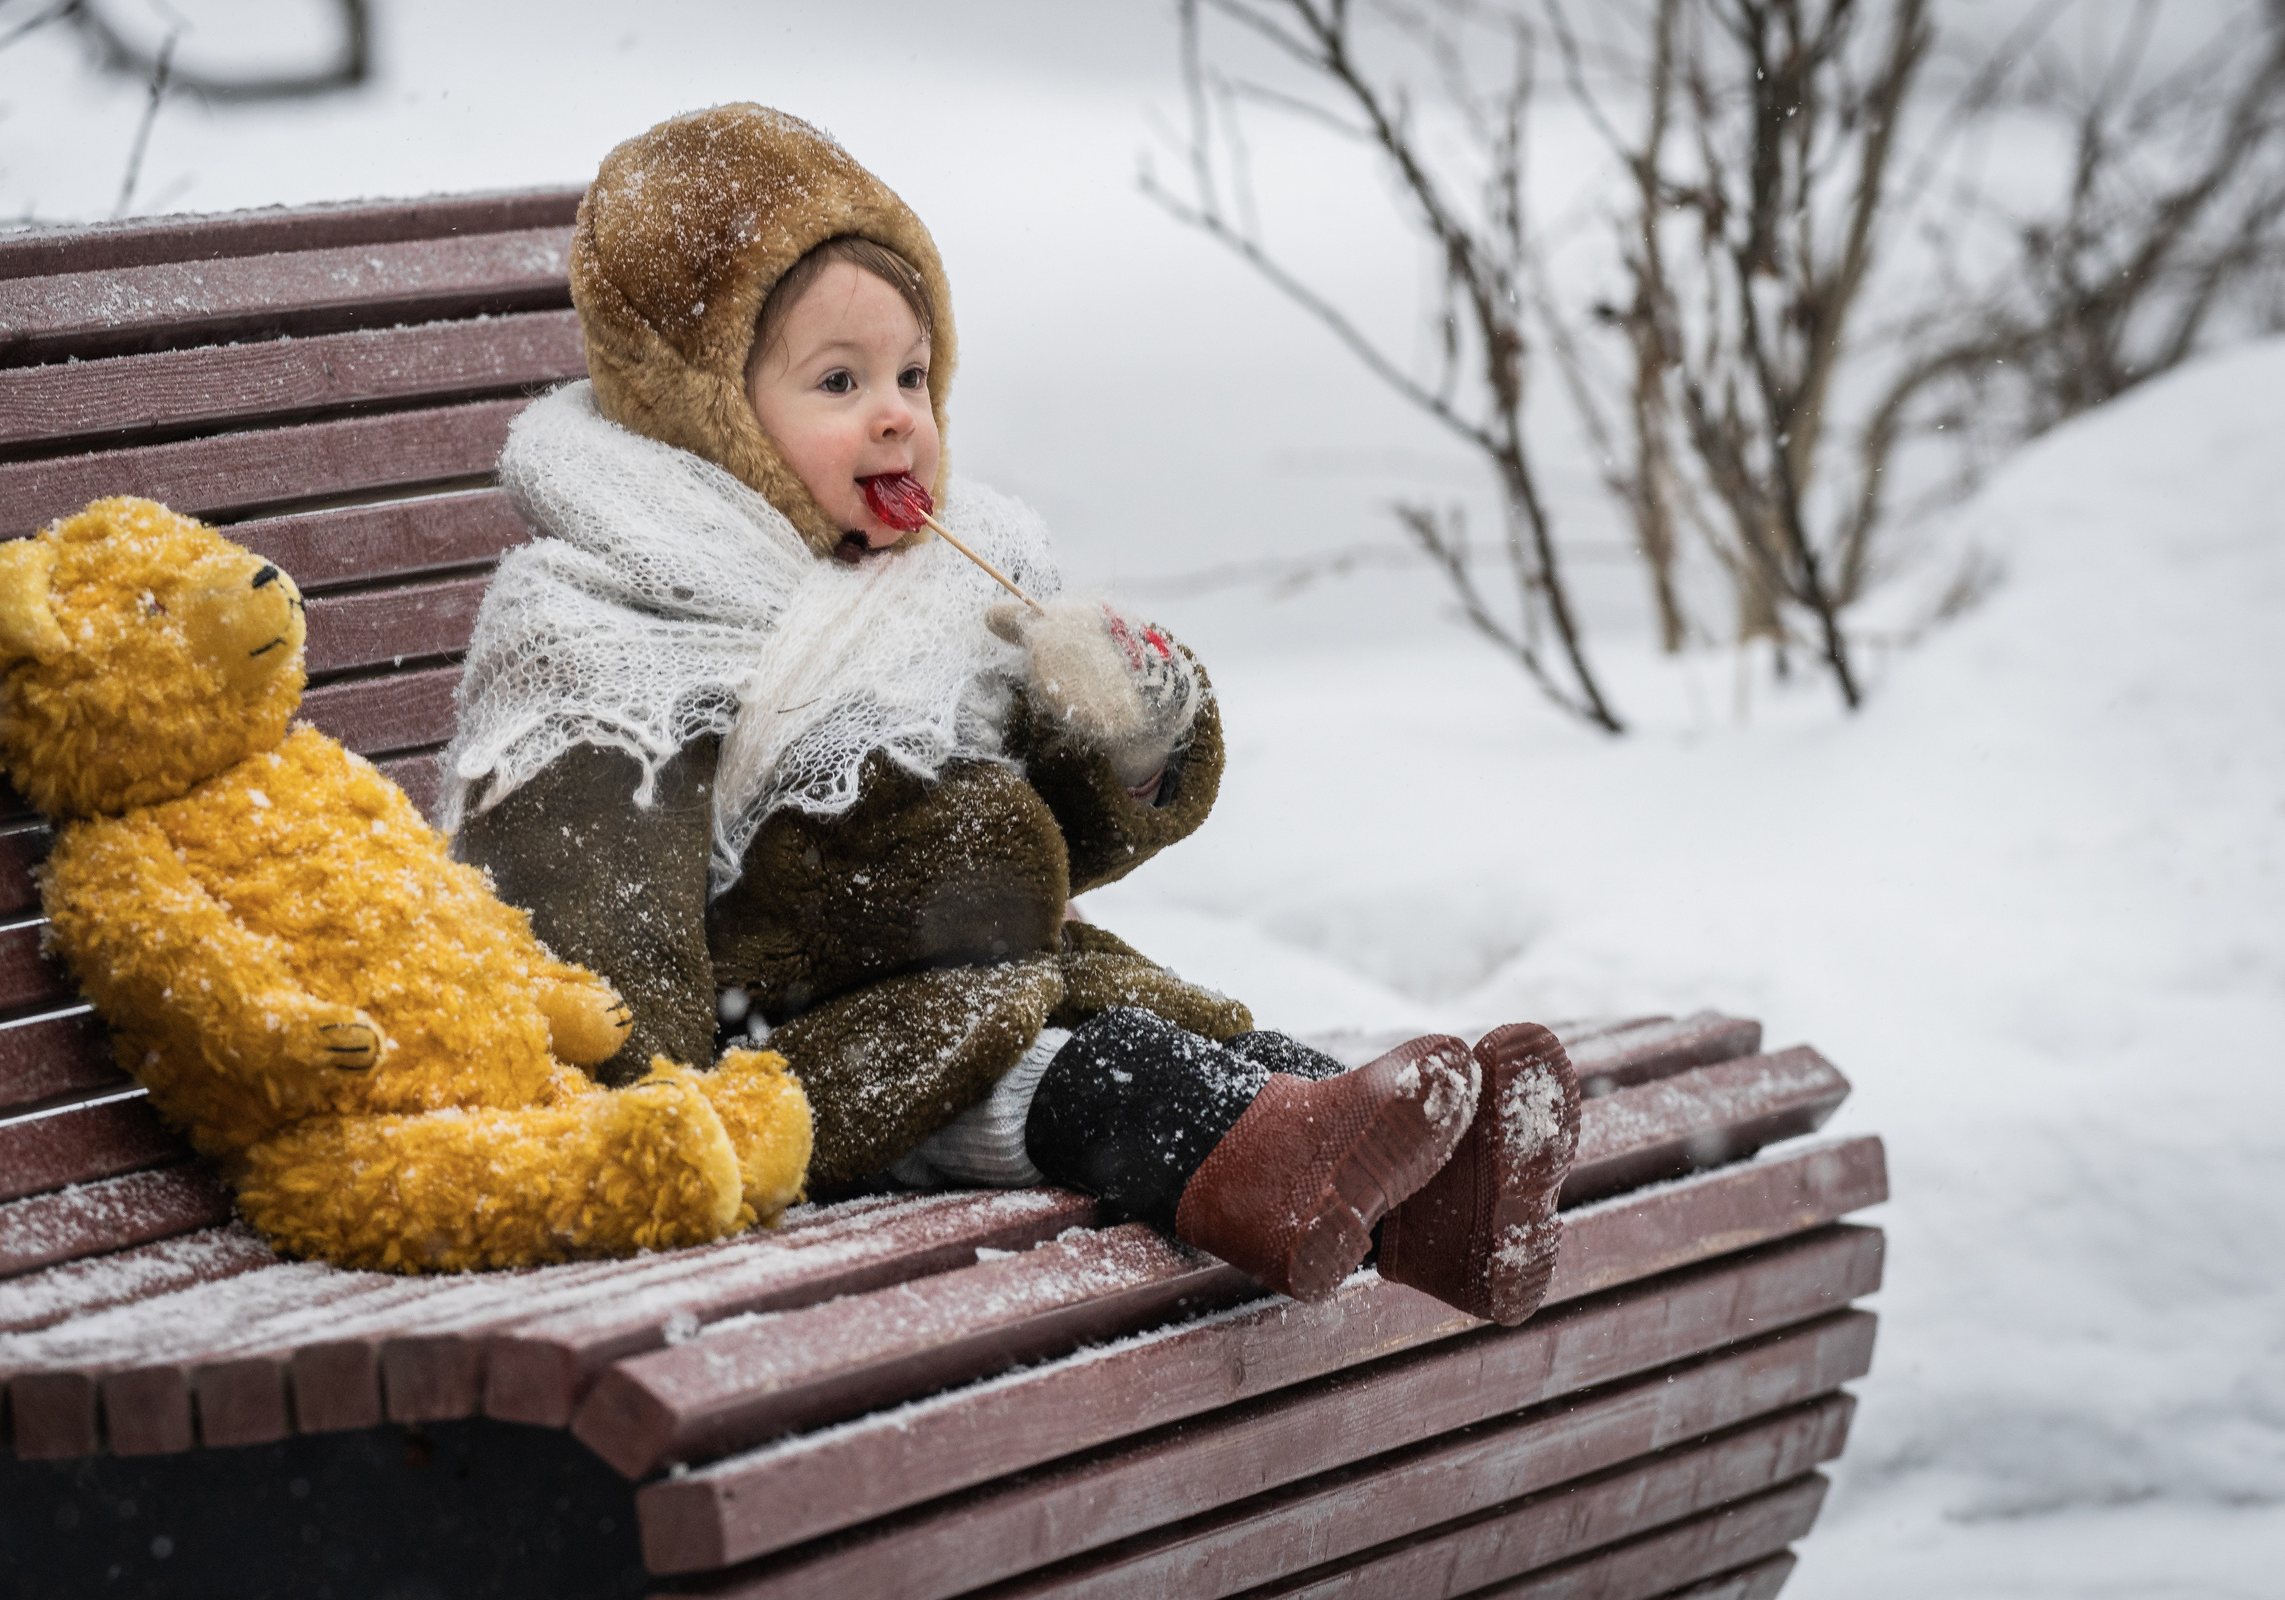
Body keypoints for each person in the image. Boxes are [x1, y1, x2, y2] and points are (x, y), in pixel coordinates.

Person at [439, 103, 1580, 1320]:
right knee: (1112, 1075)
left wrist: (1125, 729)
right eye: (839, 381)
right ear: (704, 408)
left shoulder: (943, 577)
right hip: (796, 1063)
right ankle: (1293, 1180)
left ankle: (1445, 1201)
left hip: (997, 984)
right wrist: (665, 1136)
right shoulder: (609, 621)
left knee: (1220, 1050)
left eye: (913, 374)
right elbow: (588, 924)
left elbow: (1051, 826)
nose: (897, 414)